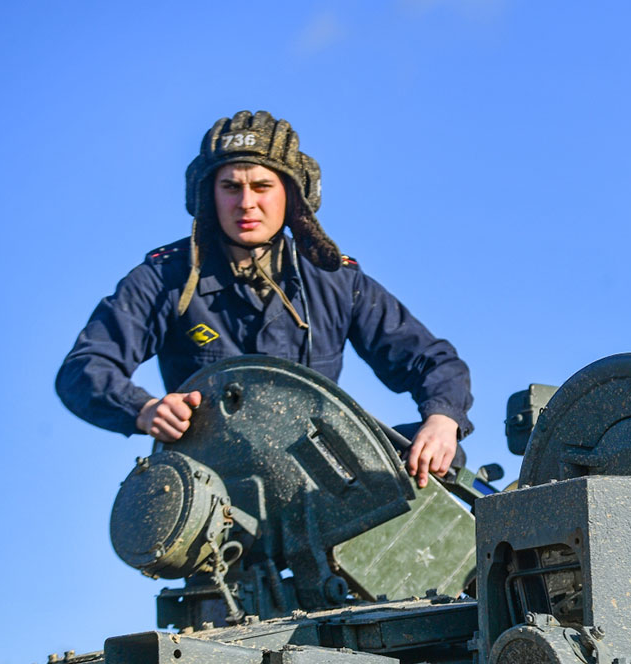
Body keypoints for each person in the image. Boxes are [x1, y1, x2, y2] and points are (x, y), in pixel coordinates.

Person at [56, 111, 471, 487]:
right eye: (230, 187)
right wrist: (144, 409)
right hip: (217, 488)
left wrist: (441, 419)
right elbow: (83, 369)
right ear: (208, 195)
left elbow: (433, 362)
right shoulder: (165, 278)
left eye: (262, 186)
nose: (246, 202)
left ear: (291, 194)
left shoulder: (335, 281)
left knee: (432, 464)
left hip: (320, 484)